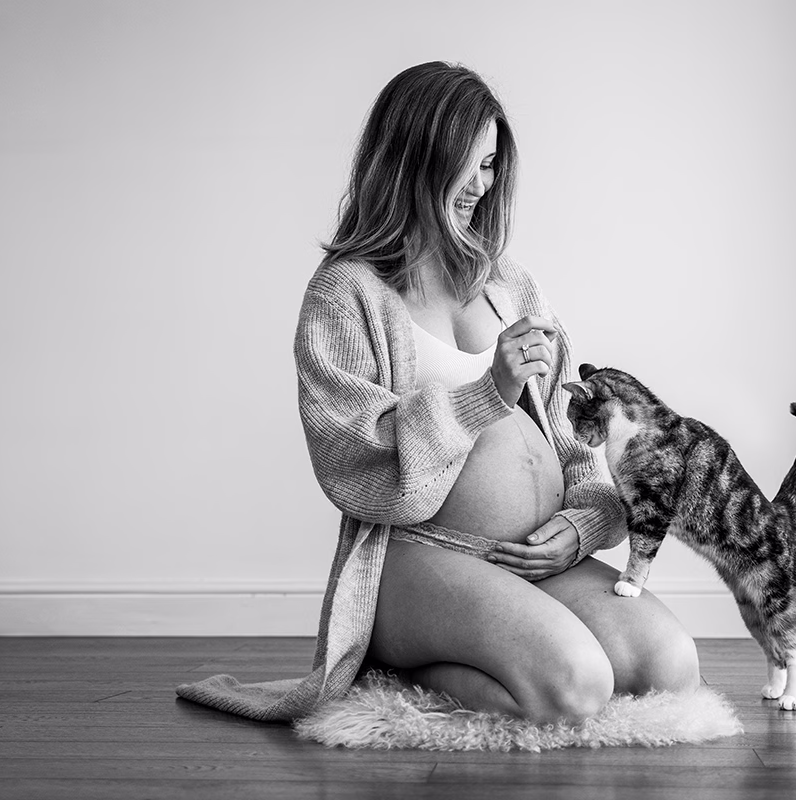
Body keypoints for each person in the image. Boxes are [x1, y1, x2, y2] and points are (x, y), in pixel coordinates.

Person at [176, 62, 699, 725]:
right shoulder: (347, 293)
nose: (483, 186)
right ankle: (393, 668)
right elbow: (353, 462)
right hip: (418, 558)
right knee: (575, 685)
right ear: (417, 157)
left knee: (670, 668)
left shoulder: (508, 282)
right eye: (469, 165)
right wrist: (489, 391)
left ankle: (501, 644)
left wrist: (581, 525)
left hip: (537, 559)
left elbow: (577, 439)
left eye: (492, 165)